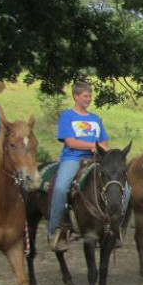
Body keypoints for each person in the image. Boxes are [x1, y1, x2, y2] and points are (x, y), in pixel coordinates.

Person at [48, 82, 112, 252]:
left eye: (90, 96)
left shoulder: (95, 119)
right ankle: (57, 227)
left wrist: (102, 148)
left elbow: (104, 142)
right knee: (61, 188)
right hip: (73, 158)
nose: (88, 99)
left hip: (96, 160)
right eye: (85, 96)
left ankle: (115, 225)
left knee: (122, 186)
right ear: (75, 96)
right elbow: (70, 141)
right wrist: (93, 145)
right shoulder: (68, 116)